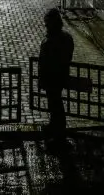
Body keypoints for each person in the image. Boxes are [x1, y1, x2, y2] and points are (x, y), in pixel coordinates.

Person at [38, 9, 74, 140]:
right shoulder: (67, 38)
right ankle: (57, 126)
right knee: (56, 101)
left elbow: (44, 62)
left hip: (51, 77)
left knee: (54, 102)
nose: (46, 26)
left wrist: (42, 78)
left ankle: (57, 128)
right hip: (60, 76)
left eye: (47, 23)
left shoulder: (49, 41)